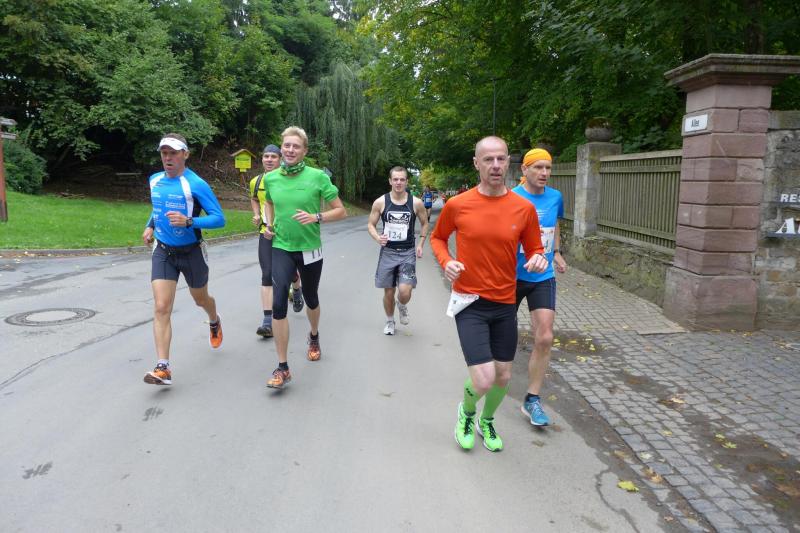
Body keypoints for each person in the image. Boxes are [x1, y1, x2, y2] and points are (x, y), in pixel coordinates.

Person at [431, 136, 547, 452]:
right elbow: (438, 238)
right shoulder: (458, 204)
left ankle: (487, 420)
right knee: (483, 378)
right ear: (476, 163)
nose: (495, 166)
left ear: (508, 162)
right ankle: (467, 413)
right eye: (488, 159)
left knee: (503, 376)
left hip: (505, 302)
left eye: (501, 159)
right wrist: (447, 262)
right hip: (470, 302)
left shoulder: (524, 208)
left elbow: (535, 248)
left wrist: (538, 258)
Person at [263, 126, 347, 389]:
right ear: (282, 148)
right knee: (278, 302)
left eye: (296, 146)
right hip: (281, 246)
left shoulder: (318, 177)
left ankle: (313, 335)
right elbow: (269, 203)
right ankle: (282, 367)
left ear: (304, 151)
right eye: (286, 145)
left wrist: (316, 217)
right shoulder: (271, 178)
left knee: (311, 298)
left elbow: (341, 211)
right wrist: (268, 224)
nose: (290, 150)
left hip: (310, 248)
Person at [141, 133, 225, 386]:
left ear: (185, 154)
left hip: (191, 251)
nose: (168, 158)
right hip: (163, 251)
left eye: (173, 153)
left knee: (201, 299)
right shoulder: (155, 180)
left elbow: (219, 219)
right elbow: (158, 206)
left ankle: (214, 319)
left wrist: (189, 221)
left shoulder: (196, 184)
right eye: (164, 153)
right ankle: (163, 367)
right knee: (161, 307)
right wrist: (150, 225)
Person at [513, 148, 567, 426]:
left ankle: (532, 398)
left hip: (542, 276)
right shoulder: (511, 197)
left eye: (548, 168)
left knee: (545, 337)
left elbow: (553, 224)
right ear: (525, 170)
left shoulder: (555, 197)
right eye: (538, 167)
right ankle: (491, 381)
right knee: (502, 338)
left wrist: (556, 252)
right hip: (510, 277)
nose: (544, 173)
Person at [249, 144, 304, 338]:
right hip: (266, 232)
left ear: (280, 159)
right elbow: (254, 198)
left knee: (287, 272)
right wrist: (257, 214)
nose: (269, 160)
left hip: (286, 233)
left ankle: (296, 287)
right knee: (267, 274)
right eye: (266, 156)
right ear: (262, 159)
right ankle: (267, 321)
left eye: (273, 156)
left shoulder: (287, 179)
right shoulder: (256, 181)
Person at [367, 166, 429, 335]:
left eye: (402, 179)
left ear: (407, 181)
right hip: (388, 252)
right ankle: (390, 321)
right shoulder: (381, 202)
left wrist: (421, 243)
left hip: (407, 252)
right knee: (389, 291)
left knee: (404, 291)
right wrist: (377, 237)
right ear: (390, 181)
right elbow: (371, 224)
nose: (398, 182)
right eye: (395, 179)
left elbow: (425, 223)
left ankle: (401, 305)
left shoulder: (416, 203)